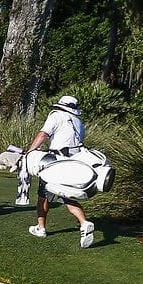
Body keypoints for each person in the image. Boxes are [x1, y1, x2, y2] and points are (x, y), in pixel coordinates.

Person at [24, 95, 95, 248]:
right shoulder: (79, 122)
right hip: (73, 162)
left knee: (44, 195)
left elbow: (43, 134)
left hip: (55, 163)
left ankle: (41, 228)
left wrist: (30, 152)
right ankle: (83, 222)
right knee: (65, 194)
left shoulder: (56, 116)